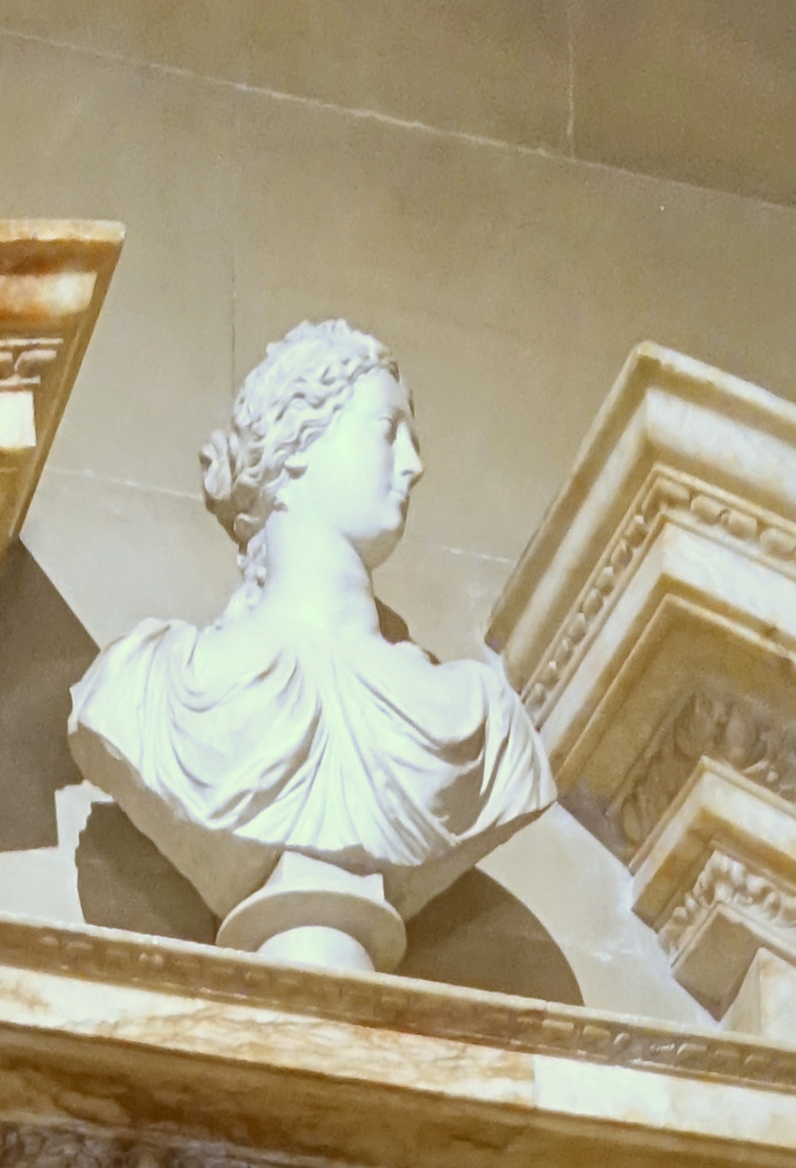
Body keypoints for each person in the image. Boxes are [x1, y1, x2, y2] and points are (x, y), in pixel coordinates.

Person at [69, 319, 553, 969]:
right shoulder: (152, 687)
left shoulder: (477, 720)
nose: (415, 465)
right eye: (388, 431)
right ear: (297, 440)